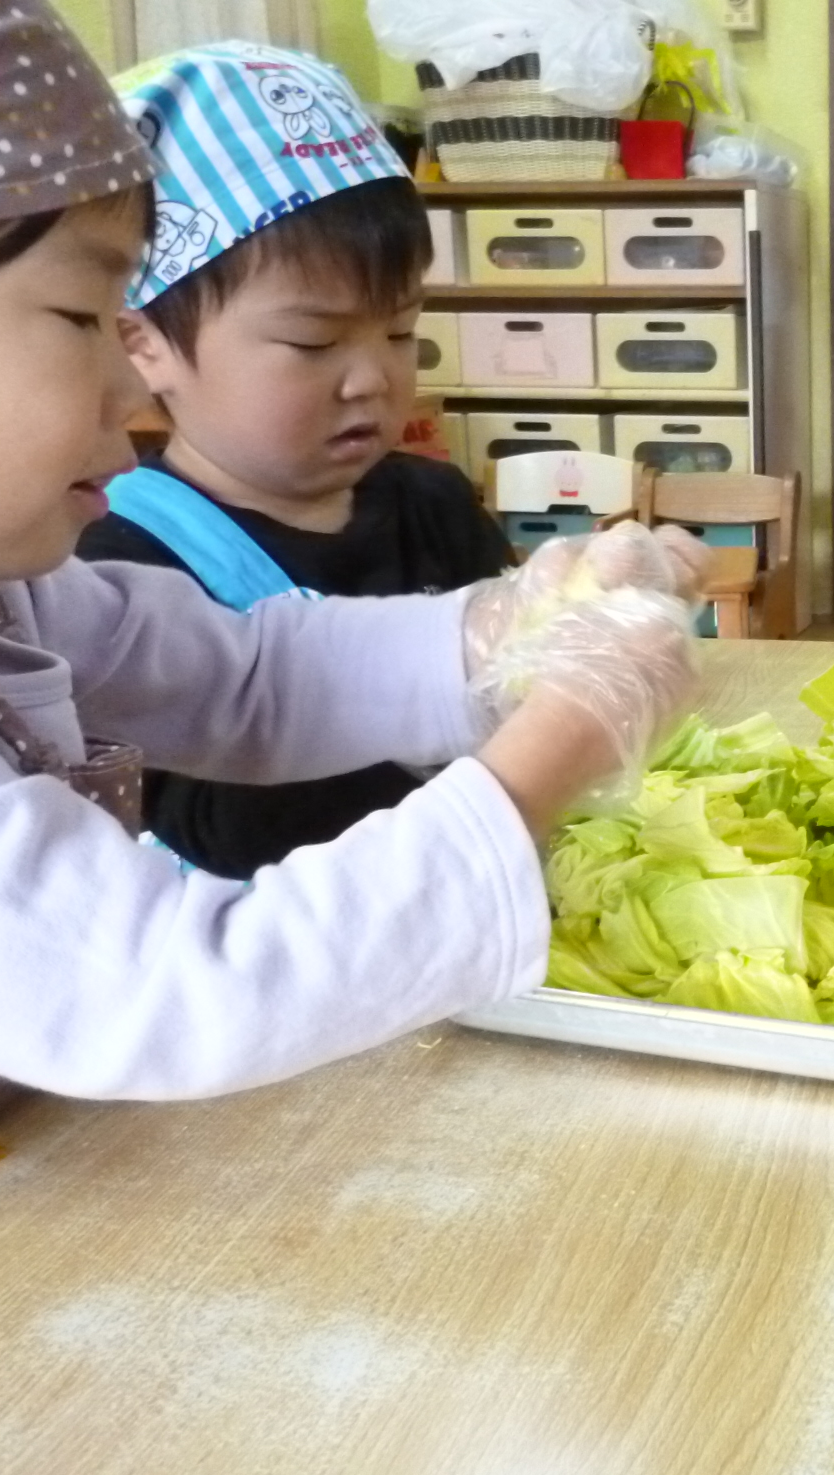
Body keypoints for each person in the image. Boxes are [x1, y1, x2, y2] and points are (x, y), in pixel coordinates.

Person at [0, 3, 698, 1172]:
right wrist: (545, 754)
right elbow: (156, 986)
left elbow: (251, 674)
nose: (126, 404)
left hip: (16, 1180)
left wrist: (510, 628)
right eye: (79, 317)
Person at [73, 44, 513, 878]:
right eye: (312, 341)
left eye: (400, 332)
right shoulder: (113, 565)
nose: (371, 378)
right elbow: (219, 831)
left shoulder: (438, 504)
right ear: (148, 346)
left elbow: (518, 685)